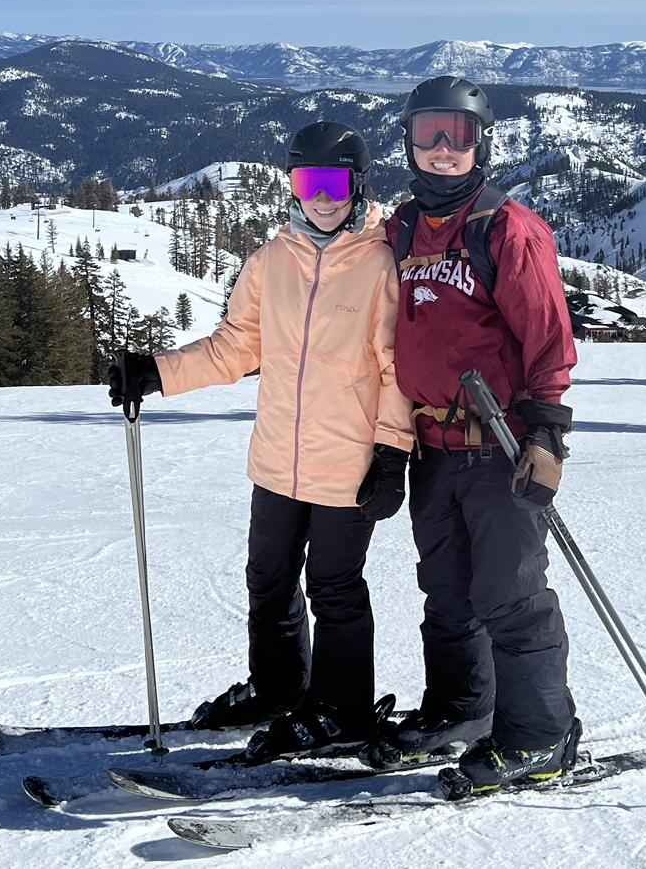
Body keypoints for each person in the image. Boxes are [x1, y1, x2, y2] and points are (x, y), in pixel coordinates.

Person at [108, 122, 415, 760]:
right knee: (268, 579)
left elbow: (395, 369)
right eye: (308, 182)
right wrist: (157, 372)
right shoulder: (272, 261)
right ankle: (278, 689)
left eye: (334, 183)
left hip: (348, 463)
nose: (322, 197)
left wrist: (391, 452)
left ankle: (342, 709)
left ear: (358, 184)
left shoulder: (383, 264)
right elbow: (236, 346)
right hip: (277, 457)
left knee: (334, 587)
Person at [370, 76, 579, 793]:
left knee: (511, 596)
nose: (441, 150)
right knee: (447, 594)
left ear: (479, 142)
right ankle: (464, 710)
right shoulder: (399, 229)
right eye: (428, 133)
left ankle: (540, 736)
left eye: (456, 135)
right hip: (431, 446)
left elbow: (549, 337)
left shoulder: (505, 228)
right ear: (408, 139)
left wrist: (547, 434)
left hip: (501, 444)